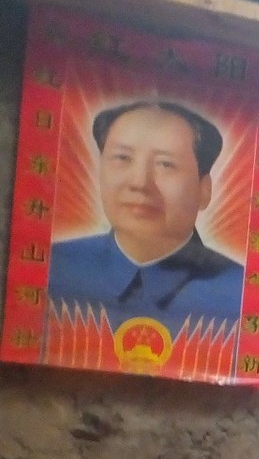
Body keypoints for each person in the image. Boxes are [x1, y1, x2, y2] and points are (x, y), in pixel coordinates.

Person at [46, 100, 244, 328]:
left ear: (204, 190)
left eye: (166, 164)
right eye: (122, 158)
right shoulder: (54, 266)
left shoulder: (240, 293)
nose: (140, 183)